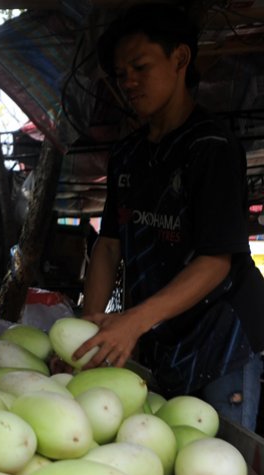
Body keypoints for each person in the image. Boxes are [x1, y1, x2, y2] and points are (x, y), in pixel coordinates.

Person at [68, 2, 264, 431]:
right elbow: (108, 247)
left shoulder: (211, 147)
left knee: (215, 461)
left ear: (180, 59)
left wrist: (134, 321)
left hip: (224, 335)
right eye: (121, 75)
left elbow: (216, 260)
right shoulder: (128, 154)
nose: (128, 83)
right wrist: (88, 328)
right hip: (162, 333)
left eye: (139, 66)